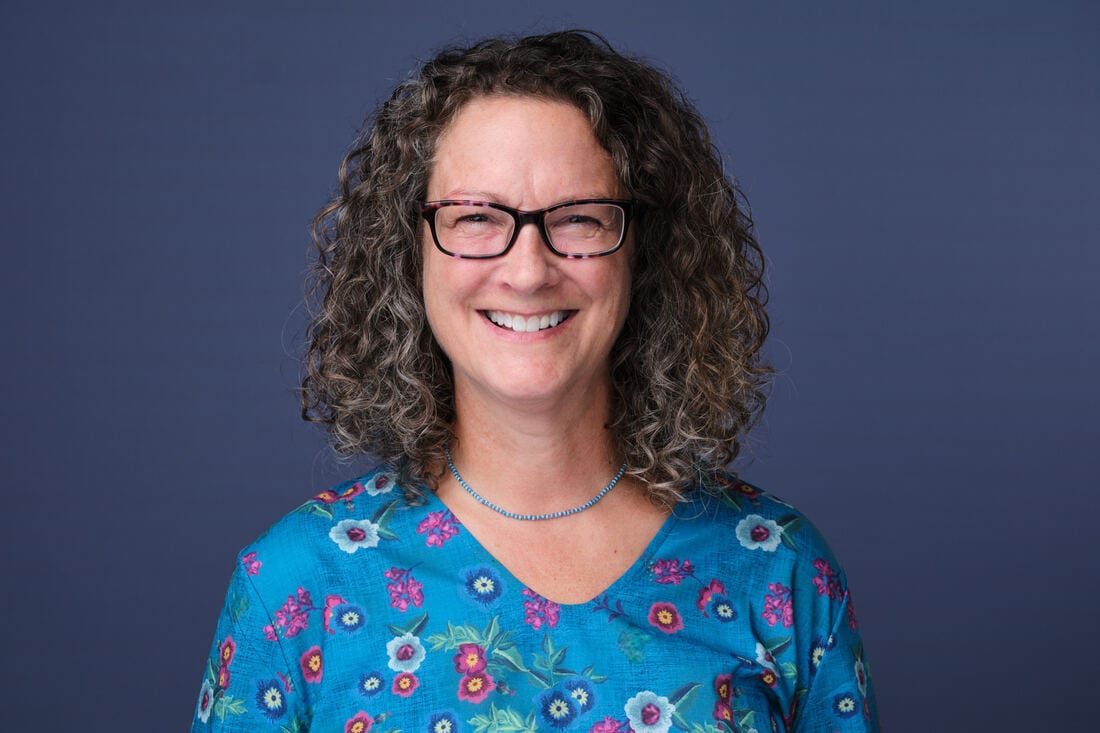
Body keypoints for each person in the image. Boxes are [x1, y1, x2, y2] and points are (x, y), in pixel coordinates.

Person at [191, 30, 879, 733]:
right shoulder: (294, 589)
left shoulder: (777, 571)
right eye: (477, 218)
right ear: (410, 251)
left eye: (578, 218)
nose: (527, 271)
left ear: (646, 251)